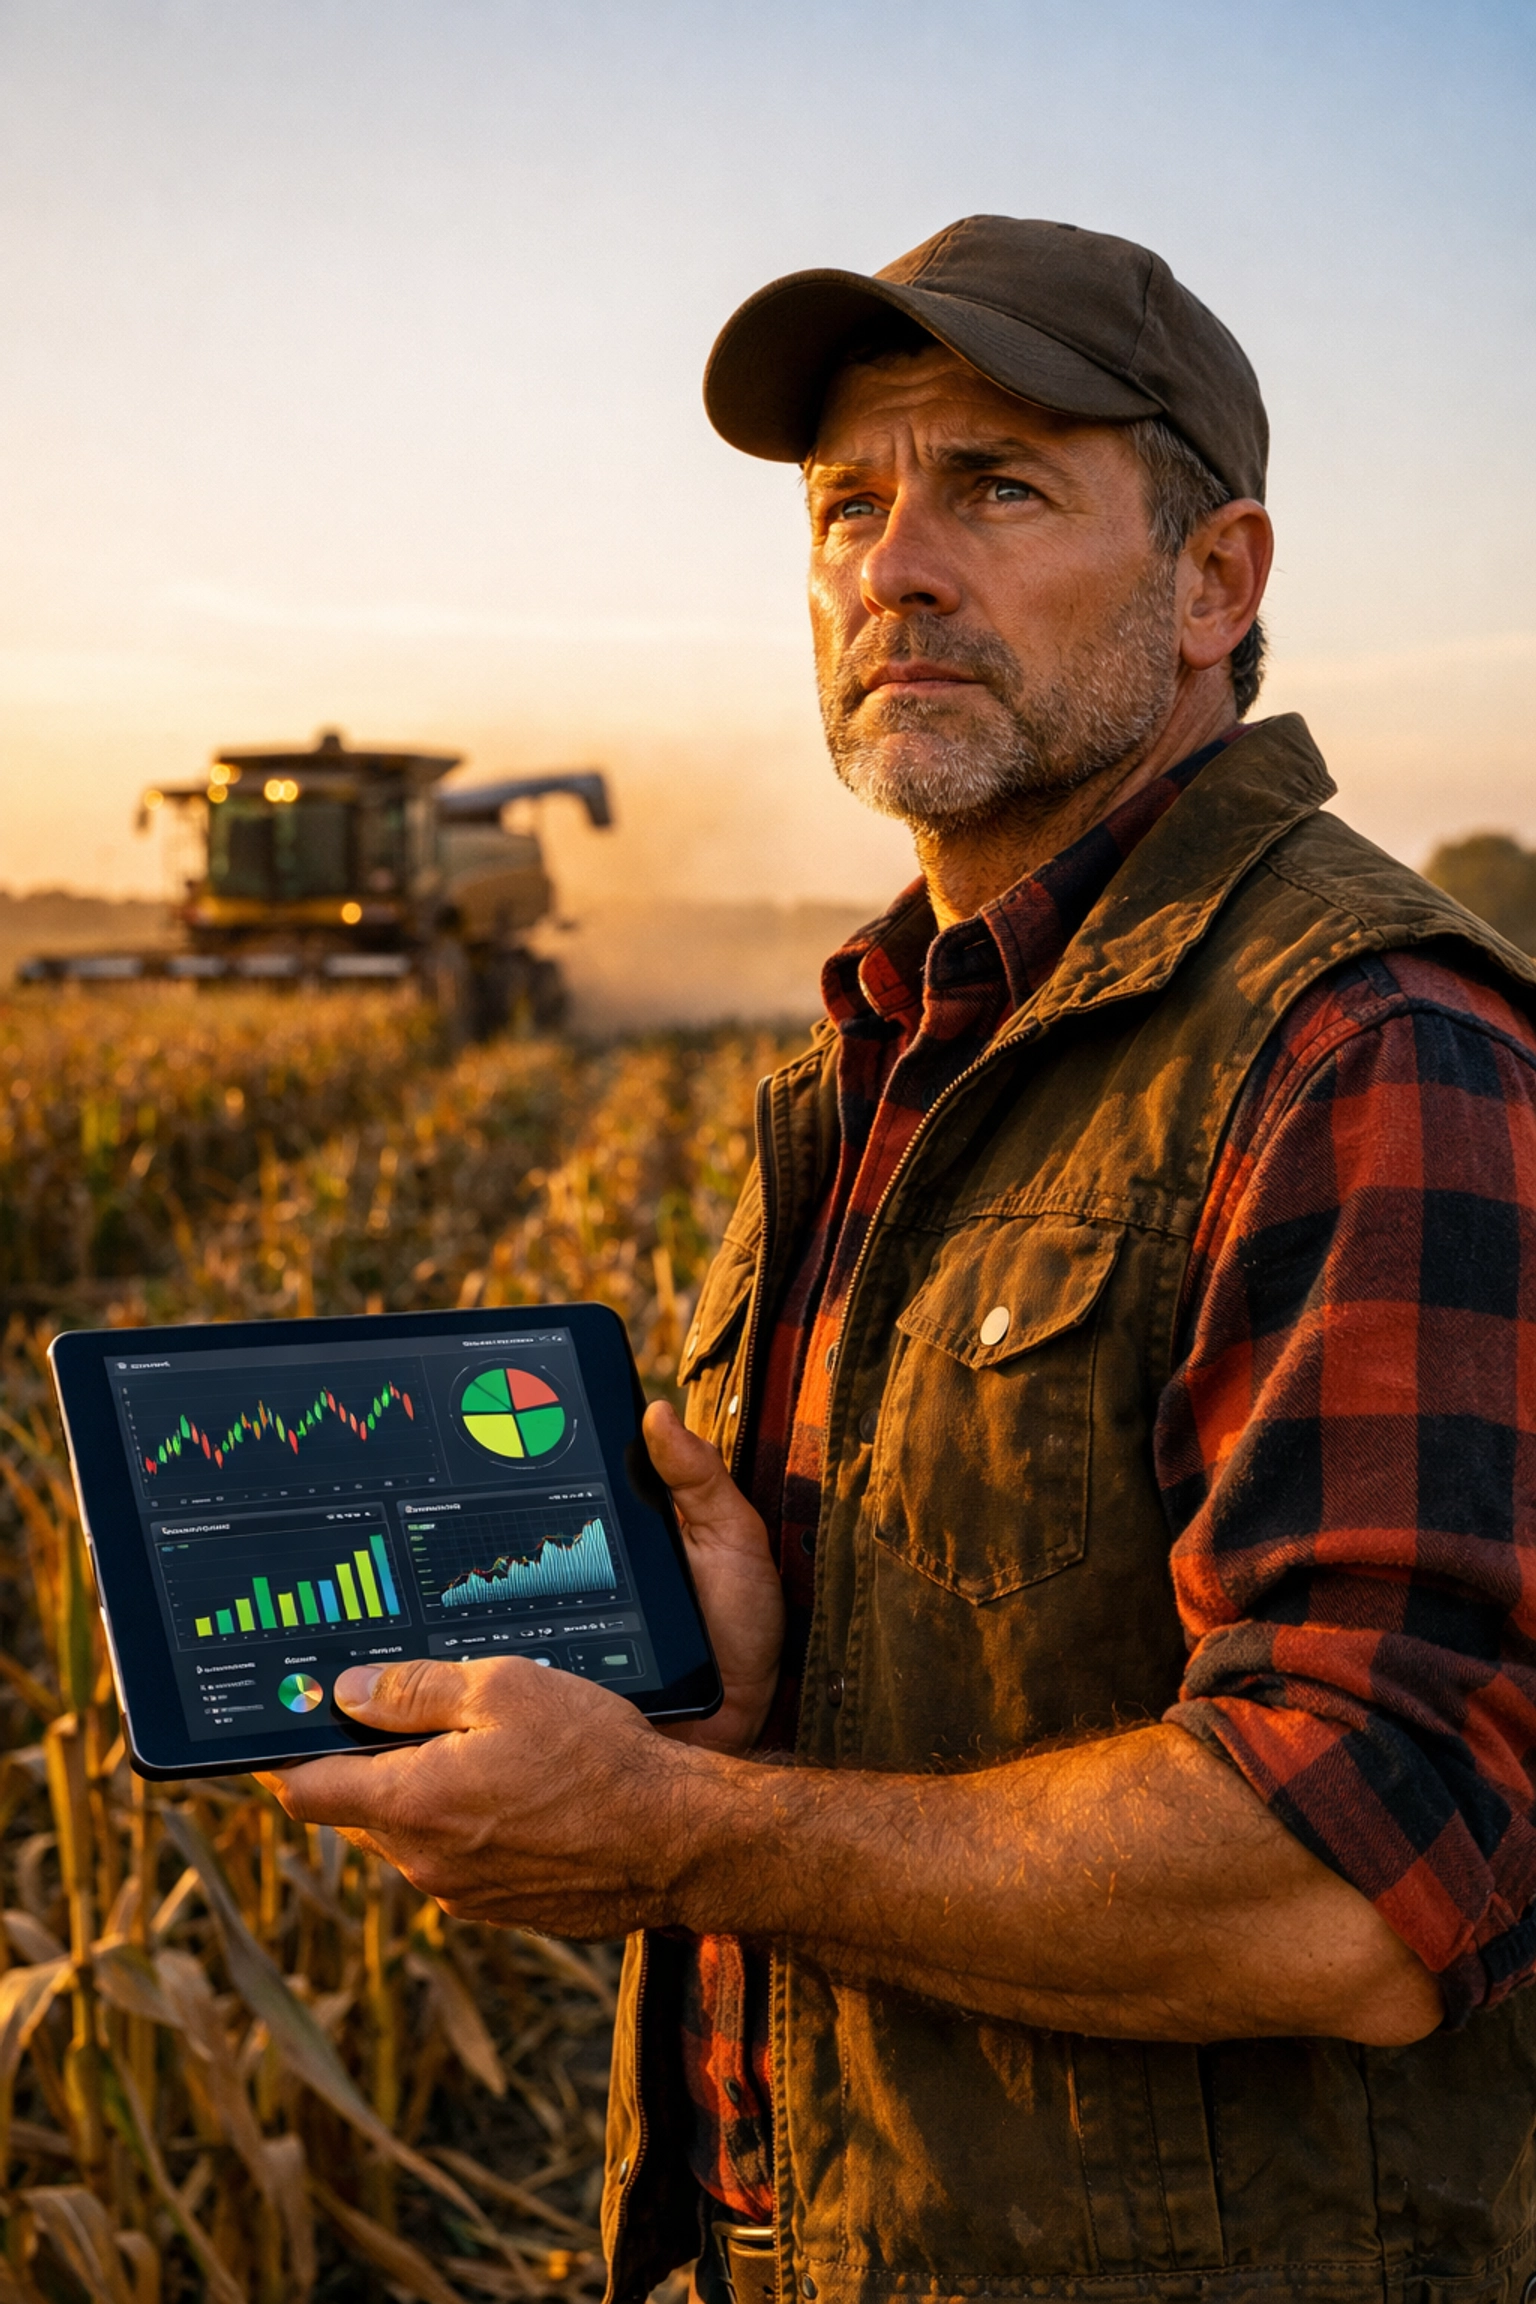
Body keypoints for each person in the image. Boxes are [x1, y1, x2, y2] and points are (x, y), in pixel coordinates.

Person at [263, 217, 1536, 2304]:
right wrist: (756, 1683)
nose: (893, 564)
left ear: (1220, 584)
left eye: (999, 485)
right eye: (849, 504)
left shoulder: (1362, 1044)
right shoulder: (889, 1049)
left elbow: (1363, 1877)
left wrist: (681, 1829)